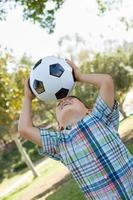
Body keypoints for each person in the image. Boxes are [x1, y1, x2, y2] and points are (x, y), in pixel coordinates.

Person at [18, 59, 133, 200]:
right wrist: (28, 97)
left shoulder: (100, 117)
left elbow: (106, 81)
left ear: (88, 111)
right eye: (59, 104)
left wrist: (79, 76)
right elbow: (24, 129)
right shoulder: (59, 142)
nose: (64, 100)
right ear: (59, 127)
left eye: (71, 98)